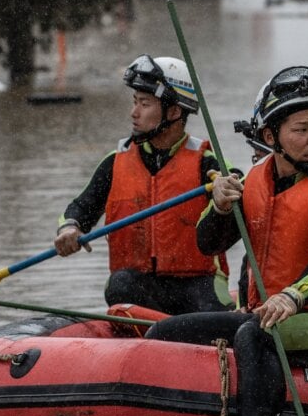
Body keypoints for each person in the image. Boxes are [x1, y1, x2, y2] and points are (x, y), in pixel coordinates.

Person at [146, 66, 308, 416]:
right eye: (301, 129)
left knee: (255, 333)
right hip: (267, 315)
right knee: (166, 332)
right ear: (270, 137)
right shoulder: (252, 181)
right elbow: (208, 243)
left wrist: (293, 295)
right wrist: (218, 206)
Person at [54, 55, 227, 315]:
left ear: (174, 111)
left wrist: (227, 190)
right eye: (135, 102)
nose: (134, 113)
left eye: (144, 104)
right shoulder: (116, 162)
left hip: (198, 284)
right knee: (120, 283)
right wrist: (70, 228)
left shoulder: (207, 162)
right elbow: (81, 207)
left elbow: (240, 185)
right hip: (142, 287)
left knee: (208, 310)